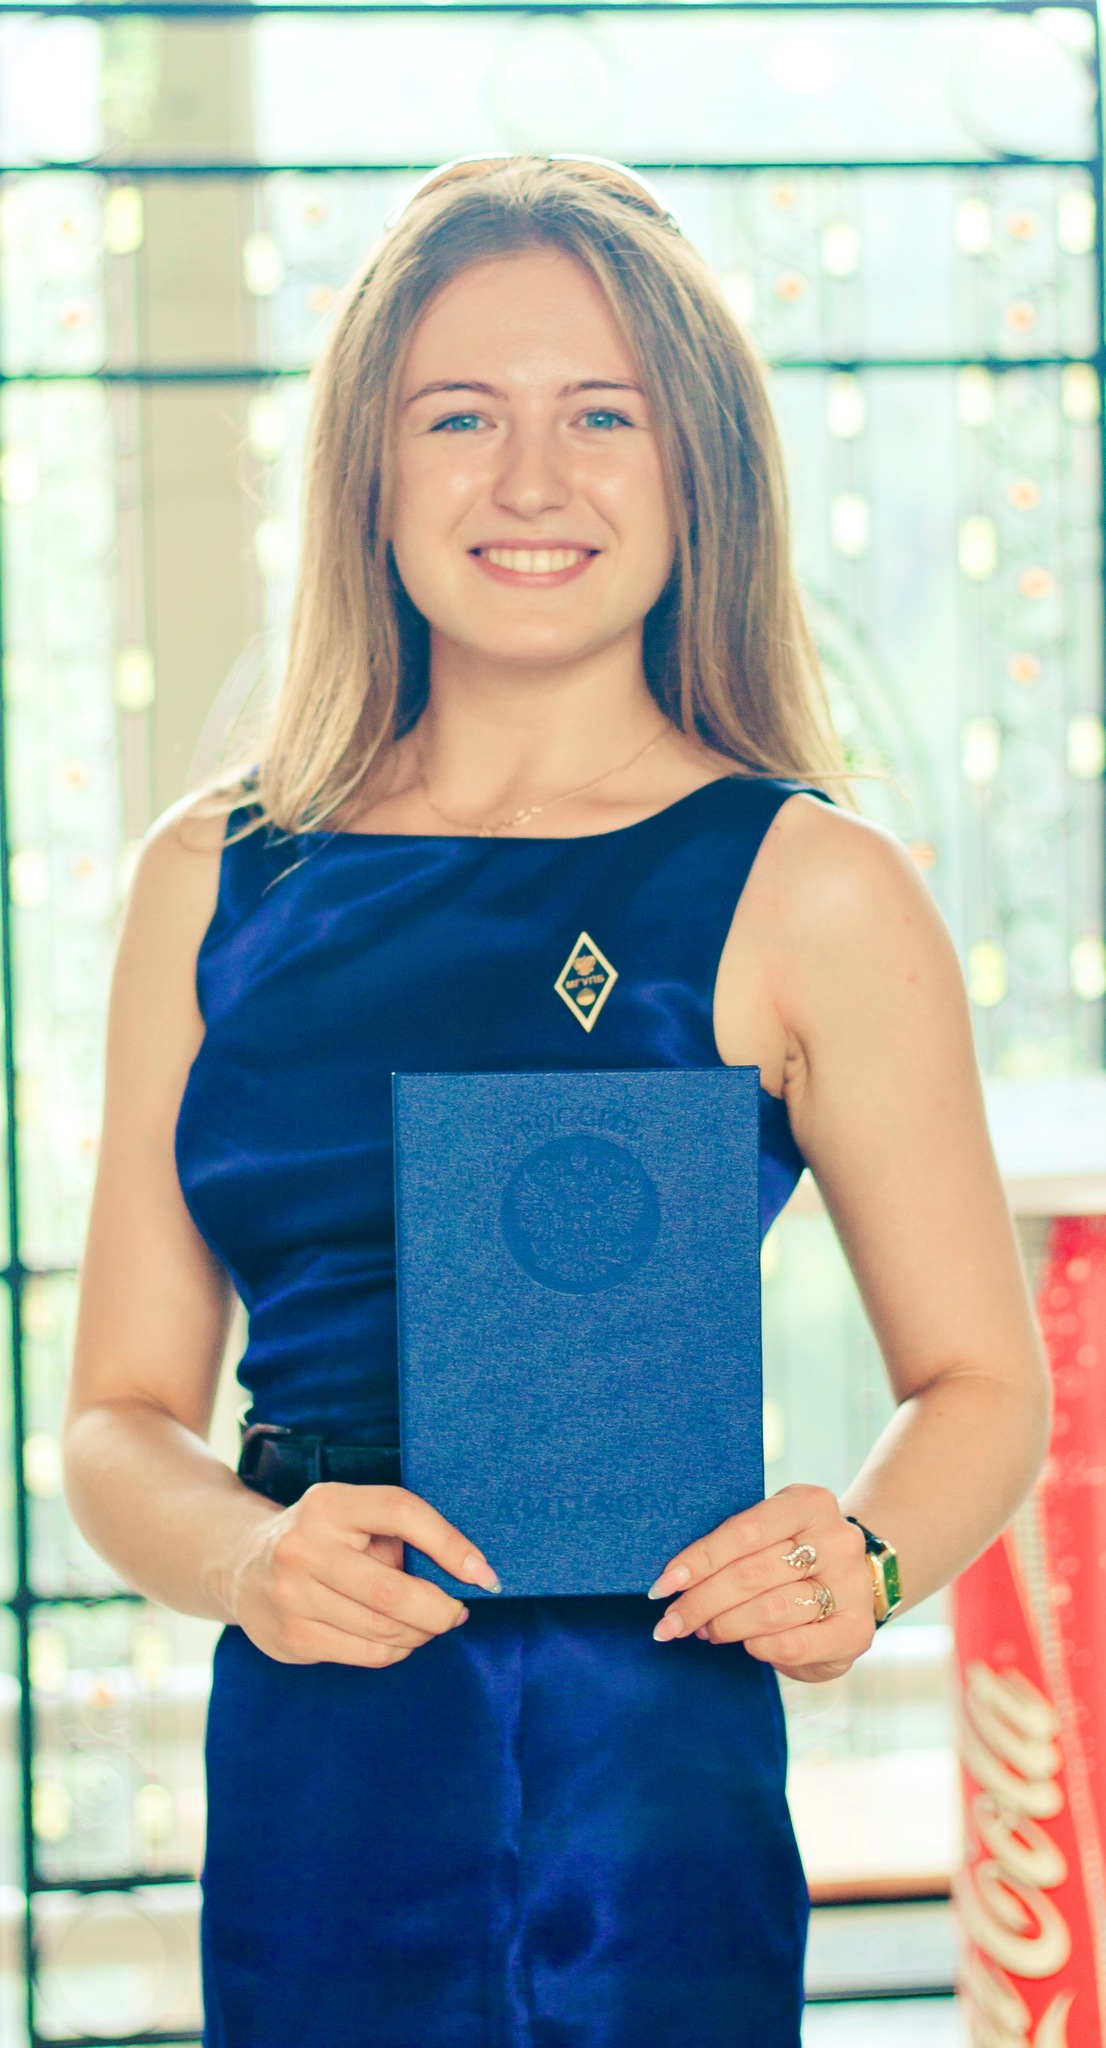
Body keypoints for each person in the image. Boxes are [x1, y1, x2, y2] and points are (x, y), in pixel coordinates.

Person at [63, 156, 1049, 2047]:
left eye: (604, 415)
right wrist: (251, 1557)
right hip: (319, 1768)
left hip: (651, 1776)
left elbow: (983, 1388)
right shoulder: (212, 880)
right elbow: (113, 1420)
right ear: (368, 472)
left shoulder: (814, 887)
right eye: (460, 416)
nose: (531, 479)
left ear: (699, 473)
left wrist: (859, 1557)